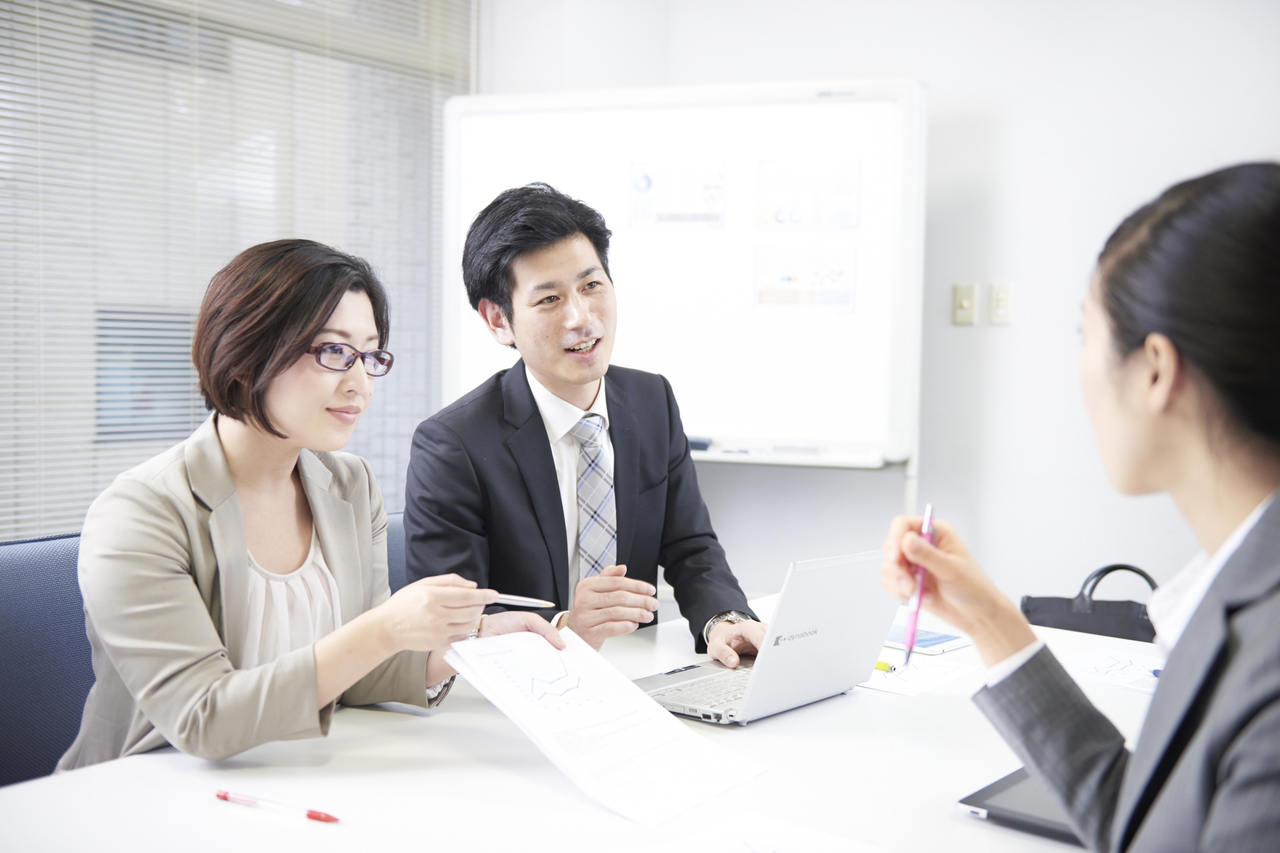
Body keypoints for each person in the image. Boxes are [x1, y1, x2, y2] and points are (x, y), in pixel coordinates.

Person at [881, 163, 1280, 852]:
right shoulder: (1242, 589)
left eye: (1084, 335)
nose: (1081, 370)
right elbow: (1145, 823)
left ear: (1156, 369)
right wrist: (993, 621)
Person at [58, 239, 563, 771]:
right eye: (333, 352)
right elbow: (202, 717)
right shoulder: (141, 511)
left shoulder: (349, 484)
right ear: (248, 355)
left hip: (294, 775)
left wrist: (470, 644)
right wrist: (386, 627)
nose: (360, 383)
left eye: (369, 356)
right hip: (145, 789)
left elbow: (361, 668)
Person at [404, 183, 765, 665]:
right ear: (498, 321)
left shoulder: (650, 399)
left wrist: (725, 620)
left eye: (591, 286)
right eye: (549, 299)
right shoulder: (452, 445)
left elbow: (691, 546)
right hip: (520, 693)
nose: (581, 318)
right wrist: (564, 629)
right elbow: (453, 620)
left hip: (641, 677)